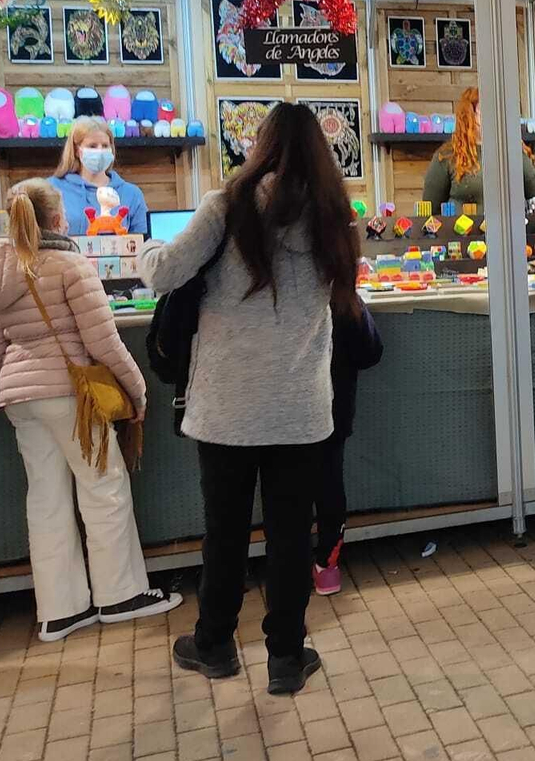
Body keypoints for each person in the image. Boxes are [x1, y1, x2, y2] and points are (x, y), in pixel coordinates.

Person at [139, 102, 359, 695]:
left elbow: (162, 273)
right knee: (291, 535)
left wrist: (140, 248)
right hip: (301, 408)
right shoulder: (336, 217)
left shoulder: (226, 205)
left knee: (226, 531)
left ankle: (213, 644)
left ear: (259, 145)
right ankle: (286, 657)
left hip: (227, 407)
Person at [0, 179, 179, 642]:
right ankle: (119, 595)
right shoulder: (71, 265)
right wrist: (137, 390)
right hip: (73, 395)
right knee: (103, 486)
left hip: (19, 399)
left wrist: (25, 365)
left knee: (44, 499)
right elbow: (102, 342)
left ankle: (59, 611)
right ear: (59, 219)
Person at [313, 300, 383, 596]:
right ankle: (326, 566)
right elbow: (370, 352)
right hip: (331, 410)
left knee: (284, 493)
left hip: (277, 415)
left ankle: (285, 572)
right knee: (329, 486)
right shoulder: (338, 293)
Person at [421, 87, 535, 210]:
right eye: (485, 112)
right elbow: (430, 208)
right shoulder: (447, 155)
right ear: (469, 116)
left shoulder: (511, 150)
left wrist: (515, 147)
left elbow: (531, 192)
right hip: (461, 228)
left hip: (507, 228)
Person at [51, 116, 149, 236]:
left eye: (105, 146)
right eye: (92, 146)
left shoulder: (131, 194)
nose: (100, 151)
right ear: (77, 150)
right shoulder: (52, 189)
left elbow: (143, 242)